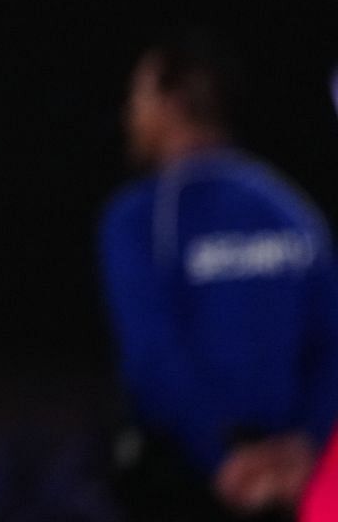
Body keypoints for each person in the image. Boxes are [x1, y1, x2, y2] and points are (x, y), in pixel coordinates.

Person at [98, 32, 338, 522]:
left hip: (192, 482)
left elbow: (152, 357)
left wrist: (222, 457)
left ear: (173, 103)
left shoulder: (141, 216)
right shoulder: (292, 212)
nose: (129, 114)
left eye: (138, 96)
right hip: (289, 483)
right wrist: (305, 448)